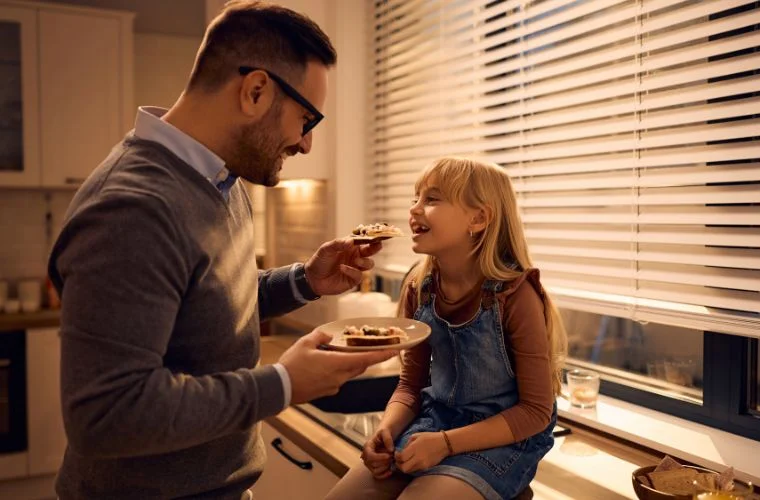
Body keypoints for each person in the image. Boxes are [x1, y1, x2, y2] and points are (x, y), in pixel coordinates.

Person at [47, 2, 396, 499]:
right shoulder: (133, 207)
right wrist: (283, 384)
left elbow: (201, 301)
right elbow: (106, 415)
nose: (306, 143)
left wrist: (304, 281)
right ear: (255, 91)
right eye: (306, 117)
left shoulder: (219, 179)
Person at [325, 157, 569, 500]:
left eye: (432, 199)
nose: (414, 209)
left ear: (479, 218)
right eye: (415, 197)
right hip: (435, 424)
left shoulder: (515, 295)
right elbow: (411, 385)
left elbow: (536, 413)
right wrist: (387, 429)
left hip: (503, 440)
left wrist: (446, 443)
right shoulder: (419, 286)